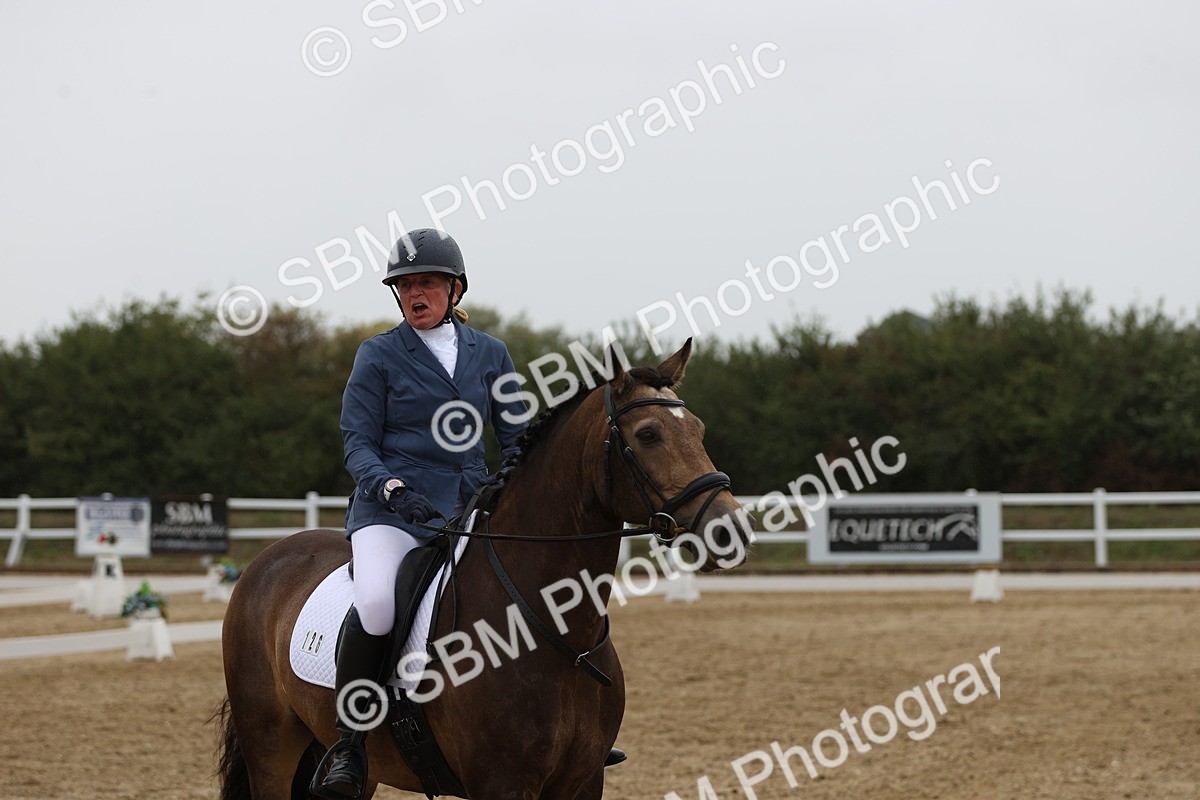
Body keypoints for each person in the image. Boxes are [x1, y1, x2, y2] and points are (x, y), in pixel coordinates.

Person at [317, 228, 528, 797]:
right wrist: (387, 486)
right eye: (406, 284)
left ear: (454, 290)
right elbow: (357, 440)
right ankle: (349, 745)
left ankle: (557, 726)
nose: (415, 292)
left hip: (468, 509)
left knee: (525, 592)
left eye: (427, 283)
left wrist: (508, 482)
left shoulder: (491, 353)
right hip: (393, 512)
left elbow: (517, 438)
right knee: (381, 603)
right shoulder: (379, 354)